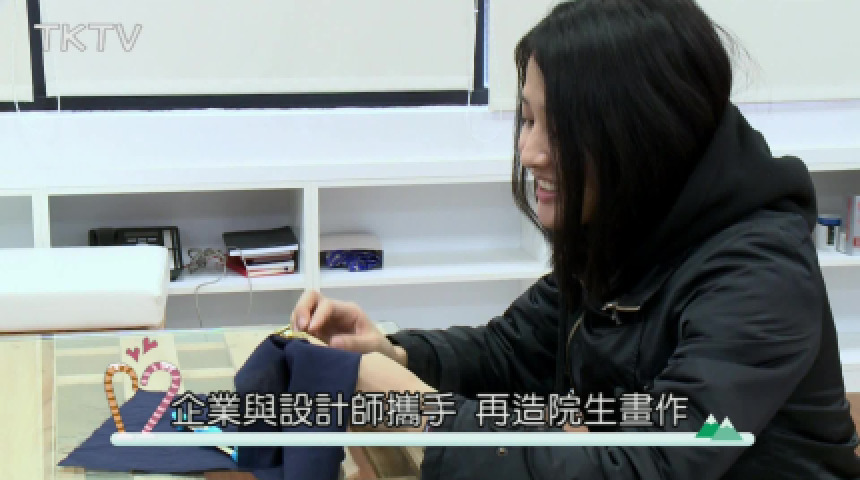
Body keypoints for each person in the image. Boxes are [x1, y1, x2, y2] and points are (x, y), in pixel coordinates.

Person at [291, 1, 860, 478]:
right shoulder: (630, 224)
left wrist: (422, 410)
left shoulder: (761, 280)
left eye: (561, 129)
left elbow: (655, 463)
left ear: (644, 133)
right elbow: (514, 350)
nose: (529, 153)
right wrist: (395, 354)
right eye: (528, 119)